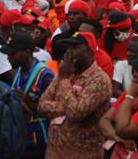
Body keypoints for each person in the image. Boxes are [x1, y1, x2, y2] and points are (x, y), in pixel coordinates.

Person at [38, 31, 112, 159]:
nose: (70, 52)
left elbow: (75, 113)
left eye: (76, 48)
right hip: (54, 153)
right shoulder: (66, 72)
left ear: (90, 52)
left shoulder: (99, 80)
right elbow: (42, 105)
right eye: (70, 48)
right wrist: (66, 106)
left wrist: (65, 80)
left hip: (83, 154)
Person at [0, 31, 54, 158]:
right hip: (21, 139)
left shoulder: (45, 76)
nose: (8, 57)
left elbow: (55, 111)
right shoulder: (19, 71)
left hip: (38, 142)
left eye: (12, 53)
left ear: (28, 52)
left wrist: (31, 104)